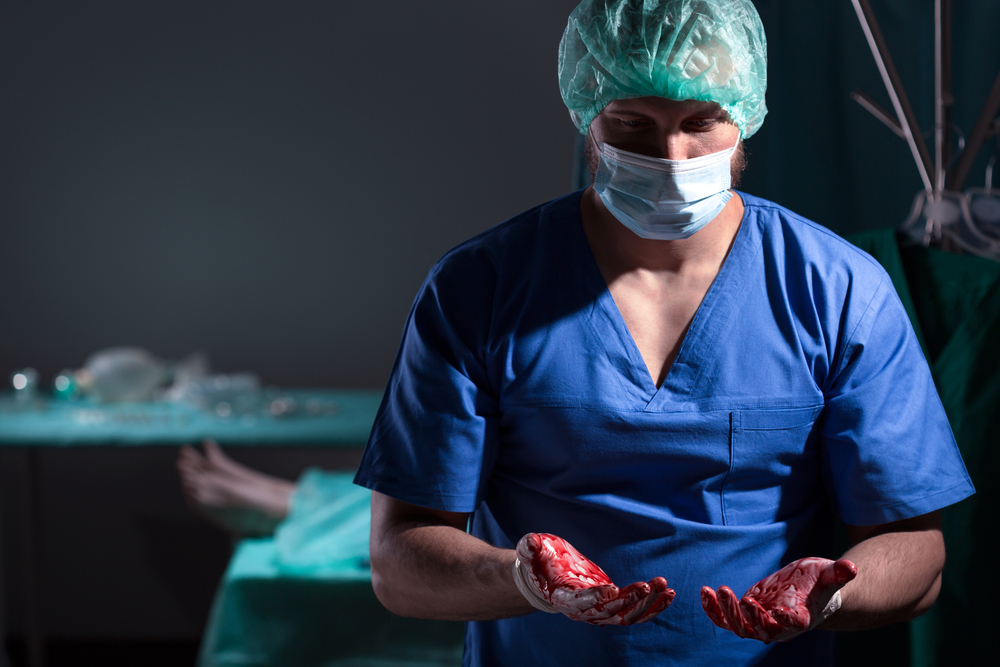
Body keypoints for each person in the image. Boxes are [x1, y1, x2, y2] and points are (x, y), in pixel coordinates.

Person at [352, 1, 975, 665]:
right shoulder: (480, 289)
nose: (672, 158)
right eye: (633, 124)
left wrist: (828, 595)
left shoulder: (838, 290)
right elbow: (399, 559)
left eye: (701, 122)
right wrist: (517, 577)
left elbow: (917, 551)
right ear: (588, 113)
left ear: (746, 115)